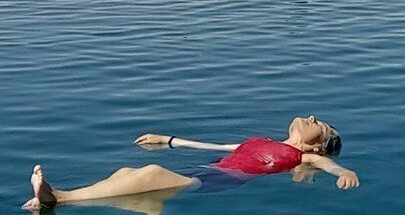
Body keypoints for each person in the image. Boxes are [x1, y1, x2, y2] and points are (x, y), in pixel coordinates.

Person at [22, 116, 359, 211]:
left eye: (321, 126)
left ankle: (61, 198)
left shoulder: (304, 157)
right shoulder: (260, 141)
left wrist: (345, 172)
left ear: (315, 145)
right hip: (209, 170)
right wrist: (168, 140)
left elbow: (329, 167)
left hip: (222, 181)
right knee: (128, 173)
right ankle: (48, 200)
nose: (313, 118)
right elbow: (216, 146)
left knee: (151, 174)